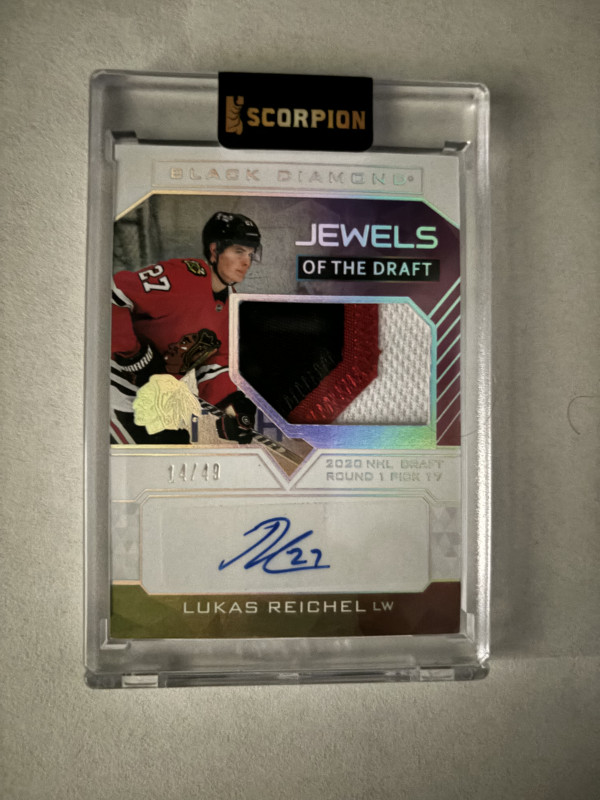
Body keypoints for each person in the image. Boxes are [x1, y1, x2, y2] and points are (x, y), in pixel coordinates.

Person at [110, 211, 260, 444]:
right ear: (214, 251)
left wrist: (232, 408)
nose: (246, 262)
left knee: (175, 445)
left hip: (150, 402)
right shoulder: (184, 276)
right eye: (239, 251)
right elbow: (114, 293)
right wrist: (133, 355)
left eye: (250, 254)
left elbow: (213, 368)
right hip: (112, 386)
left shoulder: (232, 306)